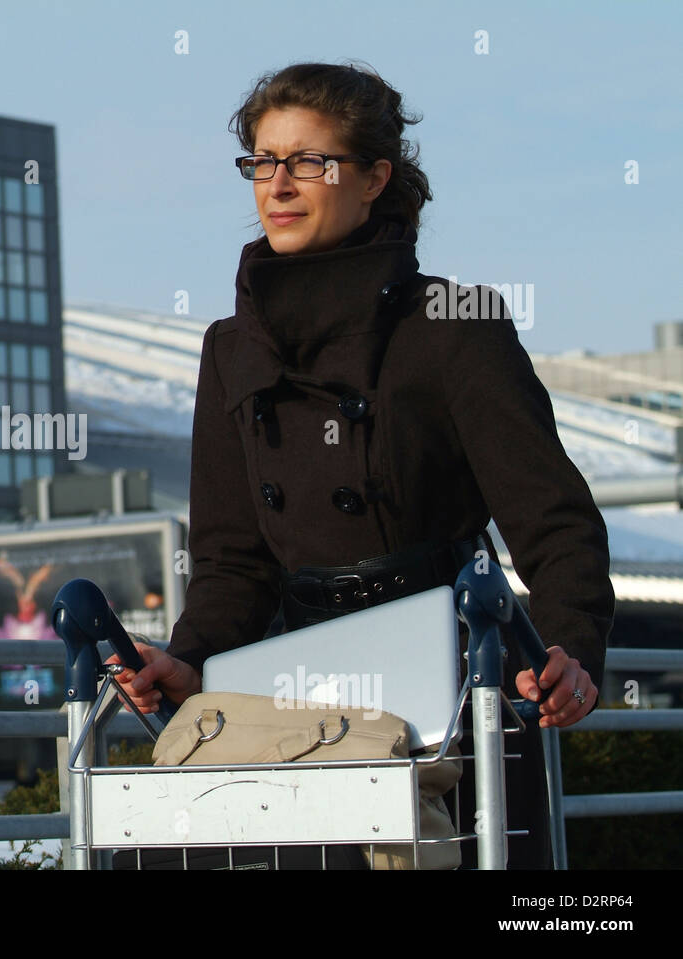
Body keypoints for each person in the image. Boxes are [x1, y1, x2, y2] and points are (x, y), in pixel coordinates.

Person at [109, 61, 615, 870]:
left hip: (454, 681)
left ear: (375, 176)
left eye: (311, 161)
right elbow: (232, 560)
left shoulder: (452, 323)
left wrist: (570, 649)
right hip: (295, 685)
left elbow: (553, 520)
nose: (278, 183)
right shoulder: (229, 347)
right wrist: (189, 655)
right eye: (263, 162)